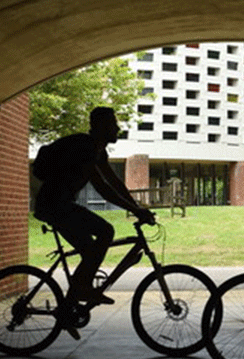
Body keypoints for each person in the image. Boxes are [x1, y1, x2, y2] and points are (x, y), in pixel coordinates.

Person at [34, 107, 155, 310]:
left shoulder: (98, 150)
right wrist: (136, 211)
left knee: (90, 253)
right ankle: (82, 289)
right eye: (113, 124)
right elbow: (103, 188)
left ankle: (69, 307)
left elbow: (114, 182)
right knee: (105, 231)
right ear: (101, 126)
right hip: (55, 206)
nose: (117, 128)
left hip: (58, 205)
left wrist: (137, 207)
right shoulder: (85, 147)